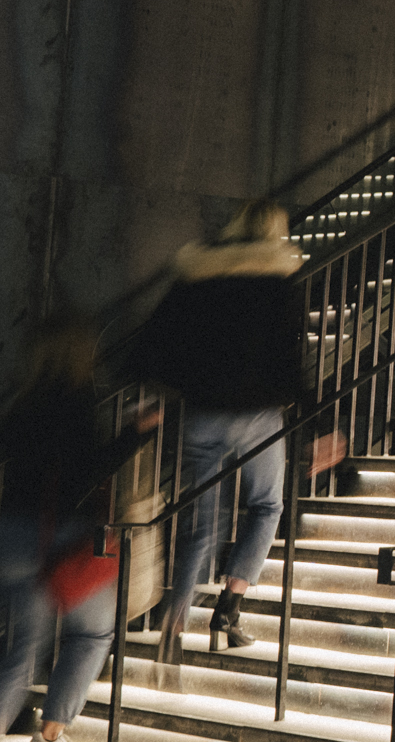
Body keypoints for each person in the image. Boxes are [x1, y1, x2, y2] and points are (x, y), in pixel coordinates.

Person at [134, 202, 344, 669]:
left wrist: (156, 397)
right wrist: (321, 428)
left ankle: (176, 616)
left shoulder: (197, 278)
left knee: (202, 524)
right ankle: (228, 611)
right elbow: (294, 365)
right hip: (258, 415)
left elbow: (151, 341)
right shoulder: (277, 285)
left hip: (202, 412)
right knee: (267, 506)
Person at [0, 318, 159, 742]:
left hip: (12, 537)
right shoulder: (73, 404)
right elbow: (85, 471)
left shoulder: (19, 404)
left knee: (24, 649)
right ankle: (50, 733)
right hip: (57, 537)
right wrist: (134, 434)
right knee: (92, 633)